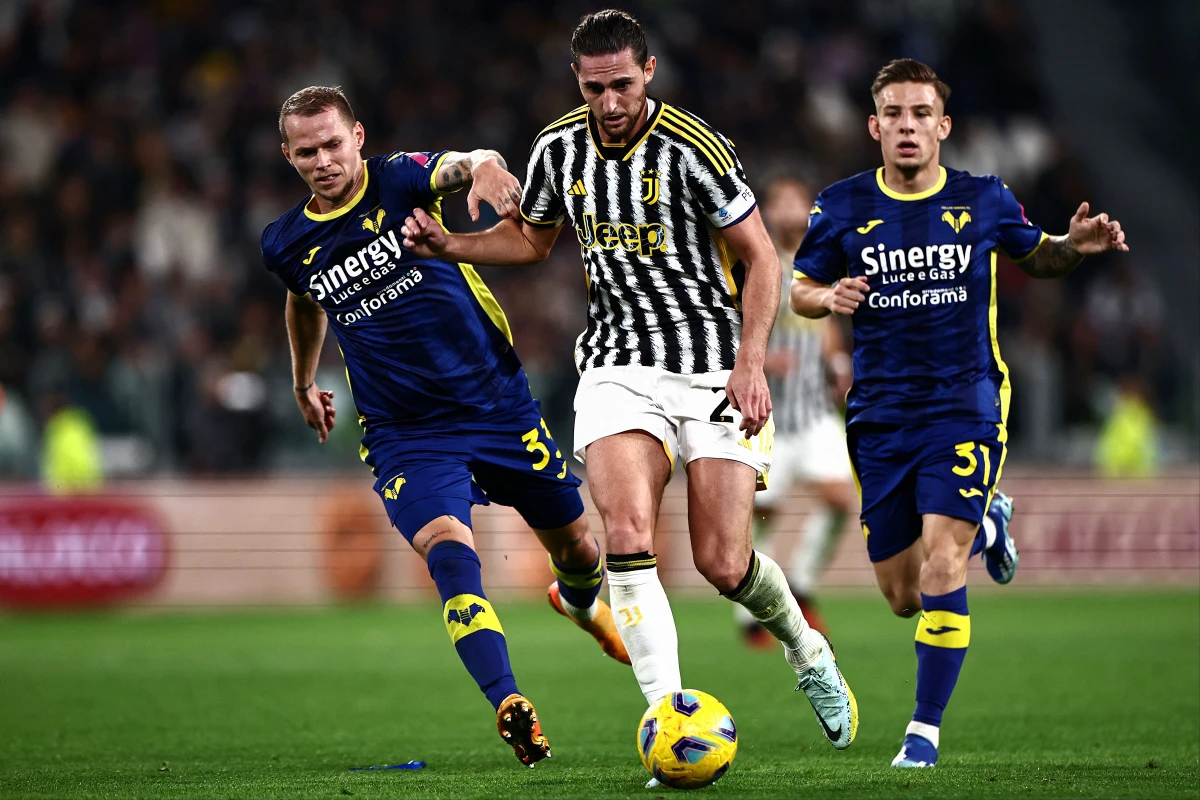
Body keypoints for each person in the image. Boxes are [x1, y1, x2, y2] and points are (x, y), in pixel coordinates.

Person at [402, 9, 857, 752]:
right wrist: (450, 243)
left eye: (620, 85)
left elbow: (763, 259)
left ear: (648, 73)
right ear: (577, 82)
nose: (609, 103)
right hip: (618, 364)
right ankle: (670, 719)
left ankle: (806, 649)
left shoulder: (696, 148)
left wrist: (750, 363)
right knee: (627, 535)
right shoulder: (556, 149)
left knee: (724, 562)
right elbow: (531, 237)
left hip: (712, 363)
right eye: (593, 88)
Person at [261, 85, 632, 768]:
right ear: (288, 155)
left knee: (580, 547)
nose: (323, 160)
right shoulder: (285, 241)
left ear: (358, 137)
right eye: (306, 151)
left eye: (332, 144)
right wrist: (302, 380)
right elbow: (303, 303)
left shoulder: (399, 181)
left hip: (495, 404)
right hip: (405, 431)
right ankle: (508, 701)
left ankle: (579, 603)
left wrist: (487, 168)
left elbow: (463, 163)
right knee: (449, 551)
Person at [790, 59, 1128, 768]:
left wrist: (1074, 247)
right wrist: (829, 299)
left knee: (945, 563)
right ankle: (991, 521)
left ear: (942, 126)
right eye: (894, 114)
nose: (907, 126)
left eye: (920, 114)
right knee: (902, 595)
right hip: (879, 417)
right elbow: (799, 288)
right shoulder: (841, 206)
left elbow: (1037, 258)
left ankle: (923, 732)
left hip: (964, 403)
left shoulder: (985, 198)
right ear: (873, 125)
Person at [736, 176, 857, 644]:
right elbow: (729, 325)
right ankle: (751, 617)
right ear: (767, 210)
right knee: (761, 514)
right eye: (780, 201)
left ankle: (802, 587)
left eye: (796, 202)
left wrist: (838, 362)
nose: (788, 210)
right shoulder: (752, 261)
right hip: (767, 415)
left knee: (841, 502)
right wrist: (762, 360)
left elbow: (824, 323)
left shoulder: (819, 261)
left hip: (813, 414)